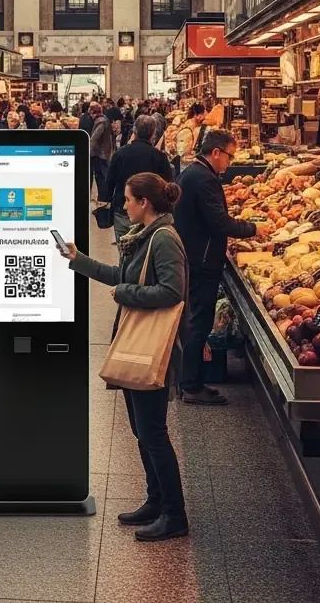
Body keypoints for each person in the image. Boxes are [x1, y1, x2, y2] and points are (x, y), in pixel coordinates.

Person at [57, 173, 189, 542]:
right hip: (136, 345)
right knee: (141, 431)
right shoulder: (146, 237)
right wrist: (79, 259)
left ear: (144, 202)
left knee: (153, 433)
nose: (124, 205)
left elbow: (172, 291)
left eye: (129, 200)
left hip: (152, 347)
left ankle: (174, 515)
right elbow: (122, 274)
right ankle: (155, 500)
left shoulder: (164, 239)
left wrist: (125, 293)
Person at [175, 129, 269, 405]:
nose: (230, 161)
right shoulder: (204, 179)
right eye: (229, 155)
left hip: (195, 253)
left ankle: (192, 381)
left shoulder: (195, 173)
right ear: (215, 153)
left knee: (196, 319)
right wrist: (254, 228)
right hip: (202, 259)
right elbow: (218, 222)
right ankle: (191, 386)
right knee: (199, 321)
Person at [102, 116, 173, 241]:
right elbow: (167, 184)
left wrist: (105, 201)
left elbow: (109, 182)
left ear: (134, 132)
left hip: (122, 209)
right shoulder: (159, 157)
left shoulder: (120, 154)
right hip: (149, 213)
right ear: (153, 134)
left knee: (124, 252)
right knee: (145, 253)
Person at [89, 103, 114, 198]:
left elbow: (94, 139)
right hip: (103, 152)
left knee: (101, 177)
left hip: (101, 154)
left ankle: (103, 198)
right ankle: (103, 197)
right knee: (101, 177)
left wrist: (88, 152)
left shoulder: (100, 122)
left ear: (92, 112)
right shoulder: (104, 120)